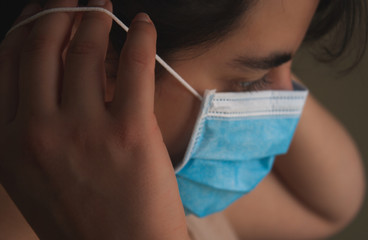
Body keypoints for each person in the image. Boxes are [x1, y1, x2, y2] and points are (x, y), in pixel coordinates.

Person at [0, 0, 366, 239]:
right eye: (251, 82)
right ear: (95, 63)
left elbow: (331, 202)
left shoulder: (162, 199)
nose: (287, 102)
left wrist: (270, 31)